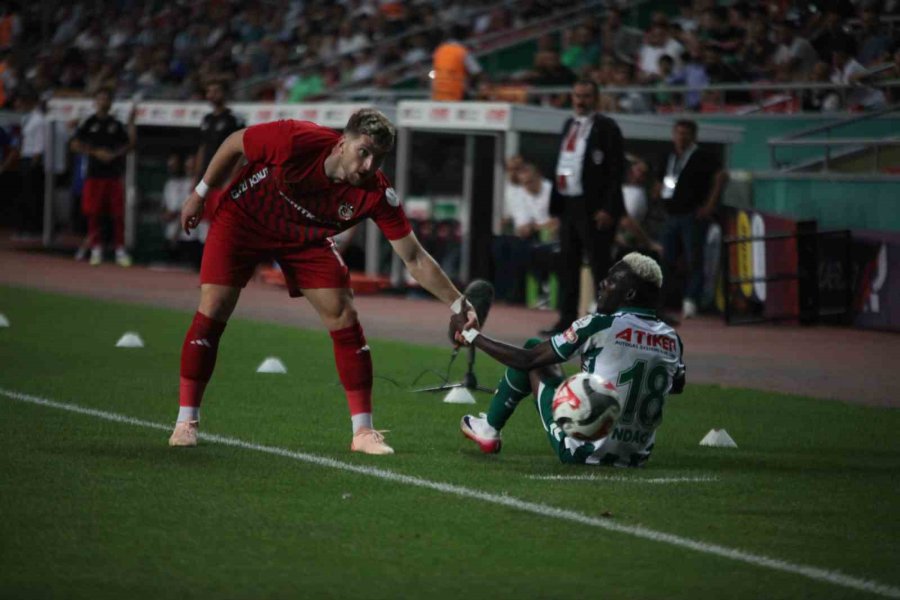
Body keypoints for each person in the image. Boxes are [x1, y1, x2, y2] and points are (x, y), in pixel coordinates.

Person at [169, 108, 479, 454]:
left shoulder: (375, 192)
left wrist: (458, 302)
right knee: (214, 308)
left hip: (304, 237)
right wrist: (200, 193)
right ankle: (186, 421)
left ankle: (363, 433)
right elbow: (232, 144)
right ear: (342, 143)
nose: (368, 166)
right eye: (363, 152)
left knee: (343, 313)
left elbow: (415, 257)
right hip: (244, 220)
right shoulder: (295, 139)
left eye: (378, 159)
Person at [452, 253, 685, 467]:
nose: (603, 284)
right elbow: (675, 385)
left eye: (612, 281)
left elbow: (527, 360)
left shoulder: (600, 324)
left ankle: (489, 429)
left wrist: (472, 335)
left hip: (583, 449)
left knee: (535, 351)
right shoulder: (672, 339)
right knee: (577, 381)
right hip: (637, 457)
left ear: (630, 294)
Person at [543, 80, 625, 335]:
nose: (581, 101)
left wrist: (609, 209)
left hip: (594, 208)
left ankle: (607, 321)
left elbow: (616, 172)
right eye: (577, 95)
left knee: (601, 265)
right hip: (569, 205)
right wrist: (557, 207)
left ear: (596, 98)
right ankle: (566, 320)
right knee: (567, 264)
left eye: (586, 96)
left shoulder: (607, 128)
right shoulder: (568, 125)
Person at [657, 120, 727, 319]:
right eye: (678, 133)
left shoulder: (703, 157)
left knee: (694, 258)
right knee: (666, 259)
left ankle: (691, 300)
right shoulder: (669, 156)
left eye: (686, 134)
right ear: (673, 135)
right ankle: (663, 301)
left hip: (692, 215)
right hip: (671, 215)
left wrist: (710, 205)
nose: (681, 137)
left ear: (694, 136)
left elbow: (721, 176)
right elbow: (661, 180)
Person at [70, 87, 136, 266]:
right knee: (94, 213)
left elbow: (129, 145)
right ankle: (96, 249)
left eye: (106, 99)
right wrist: (95, 152)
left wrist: (114, 154)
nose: (103, 102)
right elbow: (75, 144)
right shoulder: (88, 123)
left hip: (113, 175)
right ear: (95, 102)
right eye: (100, 99)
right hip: (94, 175)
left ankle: (120, 250)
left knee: (117, 214)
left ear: (110, 103)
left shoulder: (116, 124)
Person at [194, 78, 245, 219]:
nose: (212, 94)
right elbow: (202, 147)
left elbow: (242, 150)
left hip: (225, 177)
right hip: (207, 178)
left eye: (216, 91)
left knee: (223, 219)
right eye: (209, 91)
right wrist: (197, 176)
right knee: (205, 221)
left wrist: (232, 177)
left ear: (224, 93)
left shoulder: (234, 119)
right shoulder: (206, 119)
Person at [13, 88, 45, 239]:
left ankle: (34, 228)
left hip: (32, 160)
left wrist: (34, 164)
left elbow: (39, 144)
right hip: (24, 158)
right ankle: (25, 226)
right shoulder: (27, 118)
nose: (18, 104)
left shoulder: (39, 120)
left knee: (32, 195)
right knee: (24, 194)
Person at [431, 24, 482, 101]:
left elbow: (432, 72)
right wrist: (472, 86)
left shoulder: (439, 50)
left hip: (438, 93)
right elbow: (476, 72)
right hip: (454, 94)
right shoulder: (462, 51)